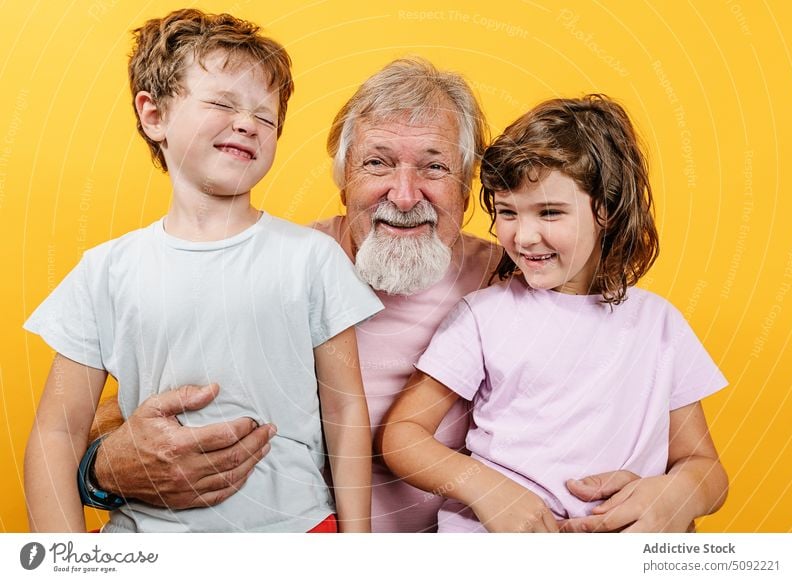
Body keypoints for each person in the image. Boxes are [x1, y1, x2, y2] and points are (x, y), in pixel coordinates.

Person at [75, 61, 688, 533]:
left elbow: (633, 394)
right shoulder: (274, 265)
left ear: (471, 184)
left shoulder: (515, 275)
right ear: (342, 177)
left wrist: (675, 494)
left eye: (434, 167)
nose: (403, 193)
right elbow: (127, 400)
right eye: (377, 163)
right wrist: (100, 468)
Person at [23, 9, 381, 533]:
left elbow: (347, 415)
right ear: (154, 115)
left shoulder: (313, 258)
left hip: (297, 533)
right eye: (221, 102)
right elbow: (56, 432)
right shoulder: (105, 271)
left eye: (266, 116)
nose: (247, 123)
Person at [378, 94, 729, 532]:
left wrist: (677, 495)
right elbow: (402, 435)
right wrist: (485, 488)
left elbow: (704, 467)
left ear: (605, 208)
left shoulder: (660, 325)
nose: (523, 237)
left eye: (549, 212)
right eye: (507, 212)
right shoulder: (484, 316)